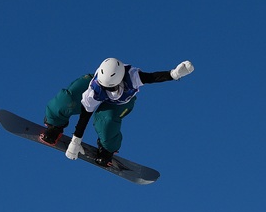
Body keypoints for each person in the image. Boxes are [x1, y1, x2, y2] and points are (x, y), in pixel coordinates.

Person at [41, 58, 194, 166]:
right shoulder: (95, 89)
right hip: (91, 88)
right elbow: (85, 115)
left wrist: (174, 74)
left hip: (121, 103)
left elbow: (153, 77)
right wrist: (75, 141)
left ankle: (107, 148)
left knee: (106, 120)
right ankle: (55, 126)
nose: (108, 91)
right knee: (66, 101)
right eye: (106, 88)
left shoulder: (132, 76)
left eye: (111, 88)